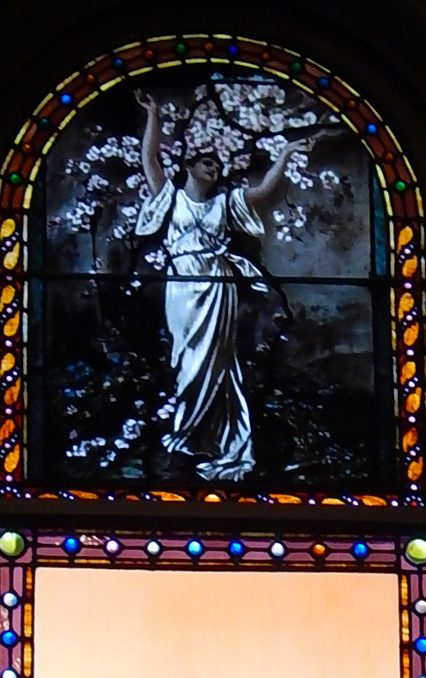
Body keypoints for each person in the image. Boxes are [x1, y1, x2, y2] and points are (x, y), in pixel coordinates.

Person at [135, 90, 312, 482]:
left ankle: (220, 443)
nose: (215, 167)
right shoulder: (170, 198)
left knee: (218, 361)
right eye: (207, 162)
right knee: (186, 360)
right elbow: (150, 160)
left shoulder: (227, 203)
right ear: (190, 166)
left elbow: (264, 192)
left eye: (218, 163)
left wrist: (284, 155)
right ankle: (188, 435)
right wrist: (154, 114)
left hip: (218, 286)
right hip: (182, 286)